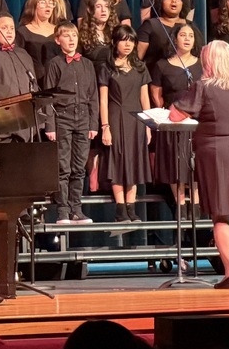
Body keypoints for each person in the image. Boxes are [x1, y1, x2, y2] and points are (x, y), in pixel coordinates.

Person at [170, 41, 229, 288]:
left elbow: (175, 115)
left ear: (208, 62)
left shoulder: (203, 87)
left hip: (215, 151)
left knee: (220, 216)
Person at [43, 21, 98, 224]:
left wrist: (93, 124)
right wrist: (50, 125)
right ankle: (63, 211)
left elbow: (93, 96)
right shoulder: (55, 64)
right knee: (63, 167)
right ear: (58, 40)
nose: (71, 39)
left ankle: (77, 208)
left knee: (79, 166)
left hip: (83, 118)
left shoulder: (87, 64)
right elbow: (48, 96)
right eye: (66, 36)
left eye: (74, 35)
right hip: (63, 118)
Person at [99, 25, 152, 222]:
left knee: (134, 161)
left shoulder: (140, 67)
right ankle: (120, 208)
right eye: (123, 40)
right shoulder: (107, 68)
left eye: (131, 40)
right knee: (118, 161)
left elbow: (145, 98)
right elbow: (103, 100)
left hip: (136, 119)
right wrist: (105, 127)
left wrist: (148, 125)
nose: (128, 44)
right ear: (115, 43)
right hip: (116, 116)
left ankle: (131, 207)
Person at [151, 23, 202, 210]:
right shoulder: (162, 65)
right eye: (183, 35)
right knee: (175, 163)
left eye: (191, 35)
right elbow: (156, 92)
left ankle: (196, 206)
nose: (187, 38)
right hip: (172, 120)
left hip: (196, 120)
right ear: (174, 39)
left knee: (195, 164)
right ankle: (180, 205)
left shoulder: (202, 63)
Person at [0, 14, 38, 141]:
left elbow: (34, 84)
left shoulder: (23, 54)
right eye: (4, 28)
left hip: (24, 126)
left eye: (12, 28)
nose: (9, 32)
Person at [137, 0, 204, 71]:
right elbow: (137, 59)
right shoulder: (150, 25)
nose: (174, 1)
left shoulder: (190, 26)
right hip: (155, 77)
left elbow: (199, 54)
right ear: (161, 1)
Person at [17, 0, 64, 83]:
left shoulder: (59, 30)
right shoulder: (23, 32)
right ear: (33, 5)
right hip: (33, 80)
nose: (48, 6)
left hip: (57, 79)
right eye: (43, 2)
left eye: (51, 3)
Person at [77, 0, 119, 71]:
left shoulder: (116, 32)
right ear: (89, 10)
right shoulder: (83, 35)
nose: (103, 10)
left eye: (106, 6)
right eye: (99, 6)